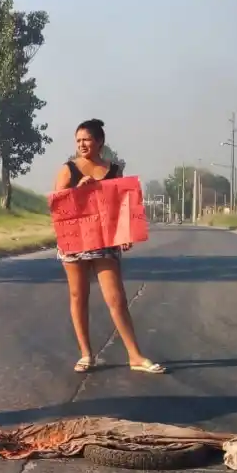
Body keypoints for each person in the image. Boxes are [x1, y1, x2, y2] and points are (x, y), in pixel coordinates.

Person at [53, 119, 166, 375]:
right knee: (78, 296)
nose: (82, 144)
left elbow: (122, 206)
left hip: (105, 242)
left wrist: (125, 233)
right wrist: (77, 191)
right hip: (75, 242)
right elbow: (58, 206)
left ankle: (134, 355)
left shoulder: (114, 170)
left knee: (116, 298)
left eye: (87, 139)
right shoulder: (68, 169)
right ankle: (86, 354)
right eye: (78, 140)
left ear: (100, 142)